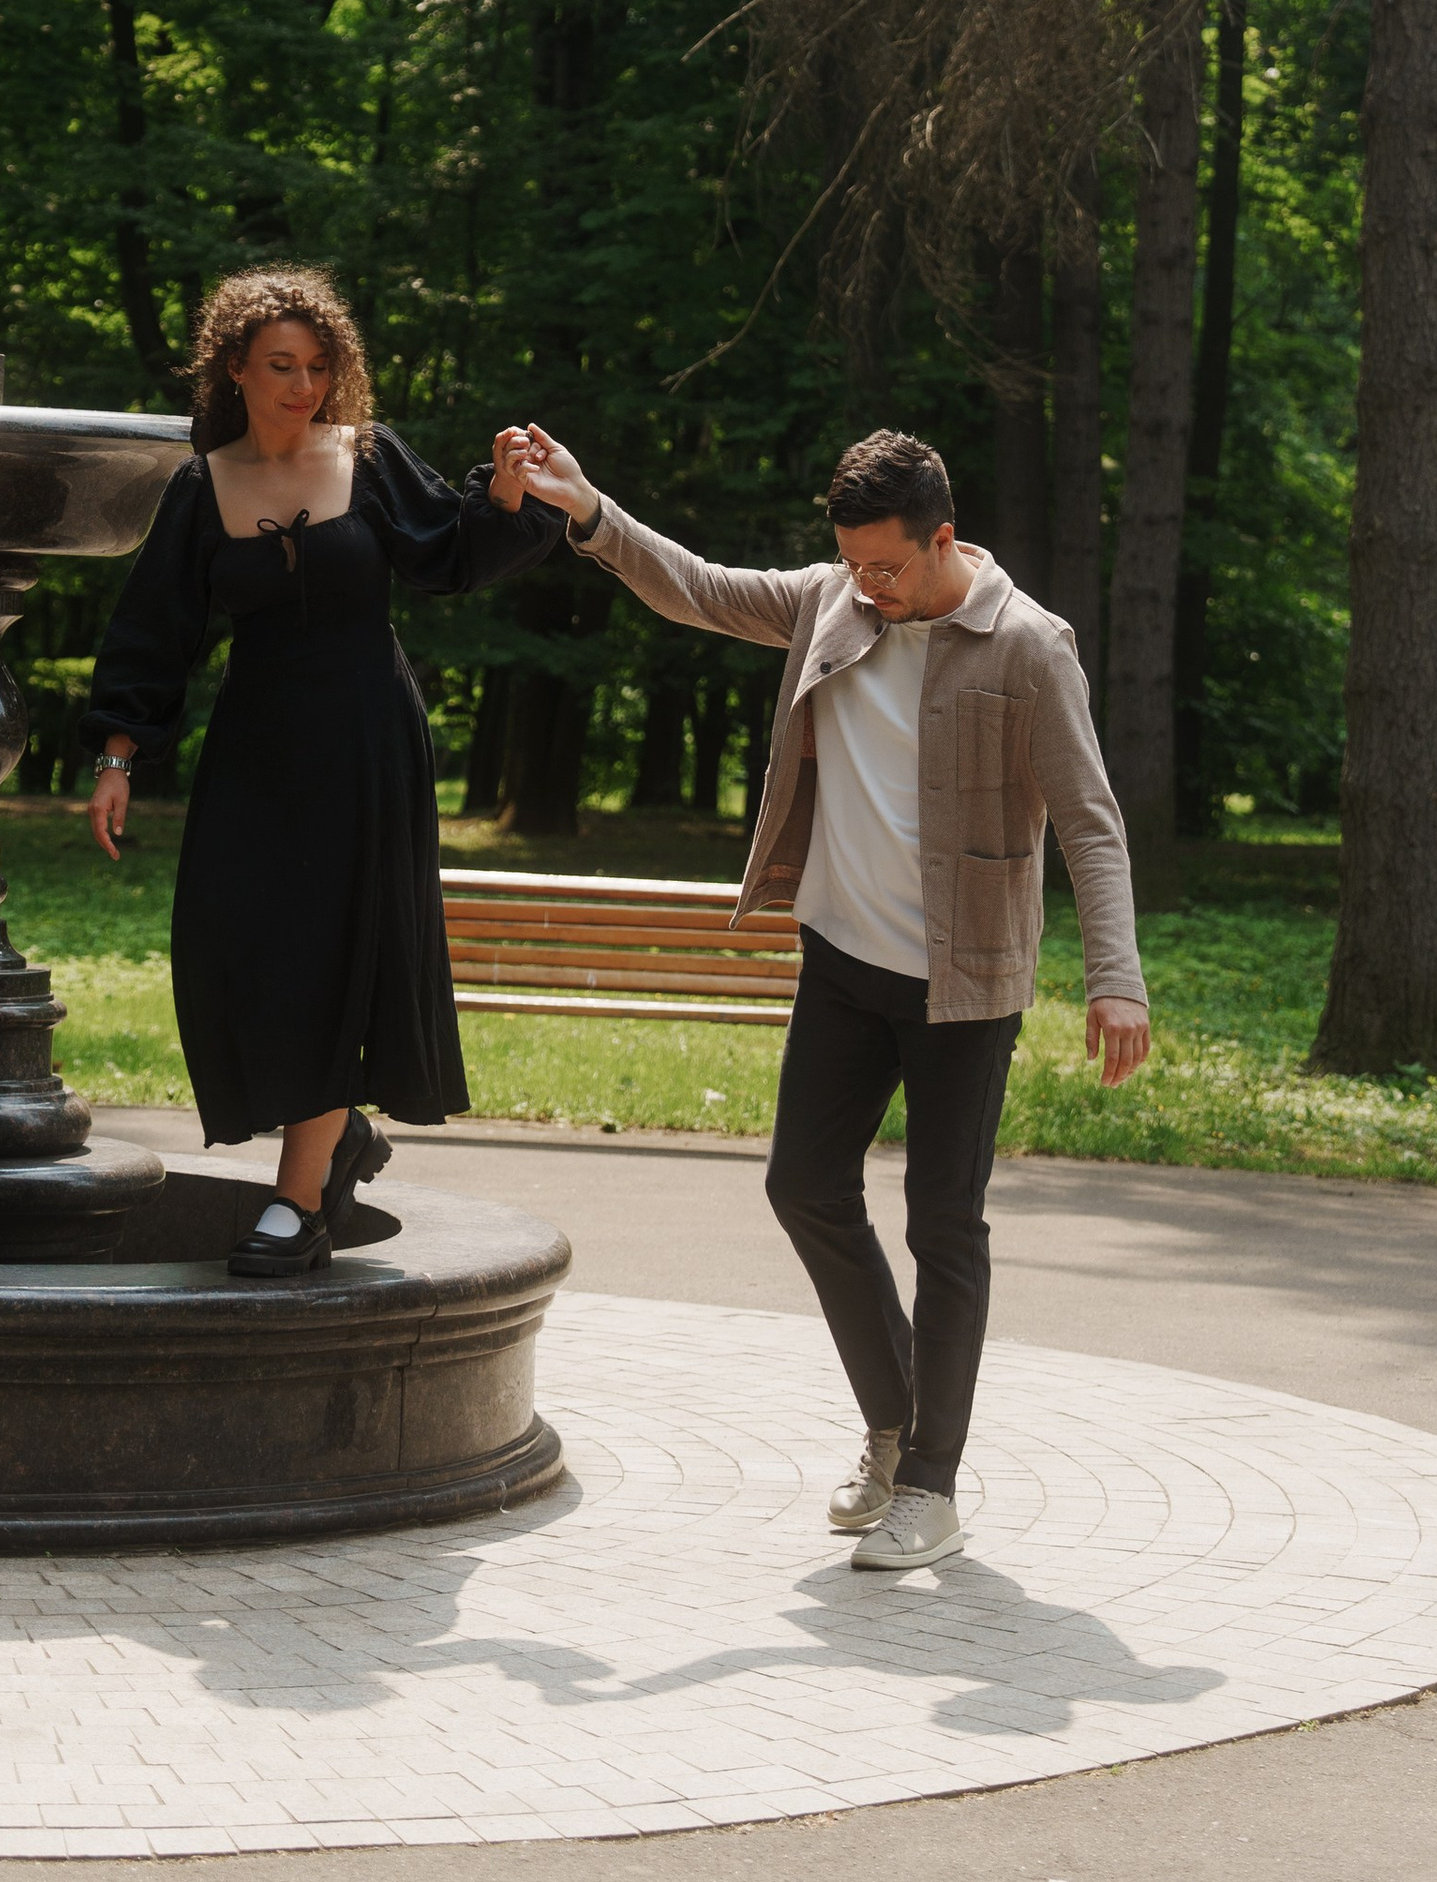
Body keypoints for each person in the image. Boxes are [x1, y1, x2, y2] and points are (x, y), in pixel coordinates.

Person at [513, 421, 1151, 1571]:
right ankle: (895, 1424)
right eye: (852, 563)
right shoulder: (830, 604)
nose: (868, 585)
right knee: (804, 1185)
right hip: (845, 962)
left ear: (942, 536)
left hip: (965, 981)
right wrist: (588, 511)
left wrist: (1118, 979)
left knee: (942, 1223)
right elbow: (698, 589)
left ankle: (933, 1485)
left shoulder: (1026, 646)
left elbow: (1090, 820)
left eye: (888, 566)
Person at [85, 268, 560, 1281]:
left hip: (365, 742)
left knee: (333, 951)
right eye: (281, 367)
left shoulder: (373, 460)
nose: (303, 386)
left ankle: (297, 1201)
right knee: (240, 944)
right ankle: (336, 1137)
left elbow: (452, 556)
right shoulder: (199, 486)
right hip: (256, 750)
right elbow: (153, 634)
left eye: (318, 366)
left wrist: (507, 491)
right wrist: (118, 755)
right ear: (234, 370)